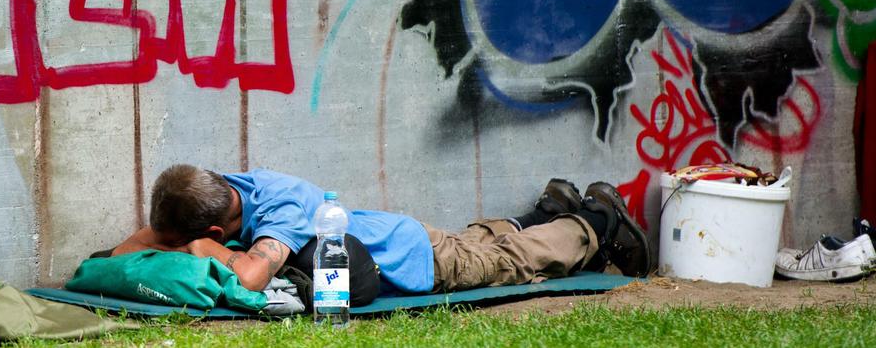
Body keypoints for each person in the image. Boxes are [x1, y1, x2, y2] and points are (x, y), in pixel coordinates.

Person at [112, 165, 651, 293]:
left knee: (506, 261)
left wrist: (203, 247)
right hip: (393, 231)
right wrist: (152, 241)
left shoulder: (281, 211)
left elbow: (251, 276)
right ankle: (548, 211)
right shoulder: (220, 187)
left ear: (212, 224)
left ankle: (593, 222)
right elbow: (124, 251)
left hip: (408, 257)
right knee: (477, 242)